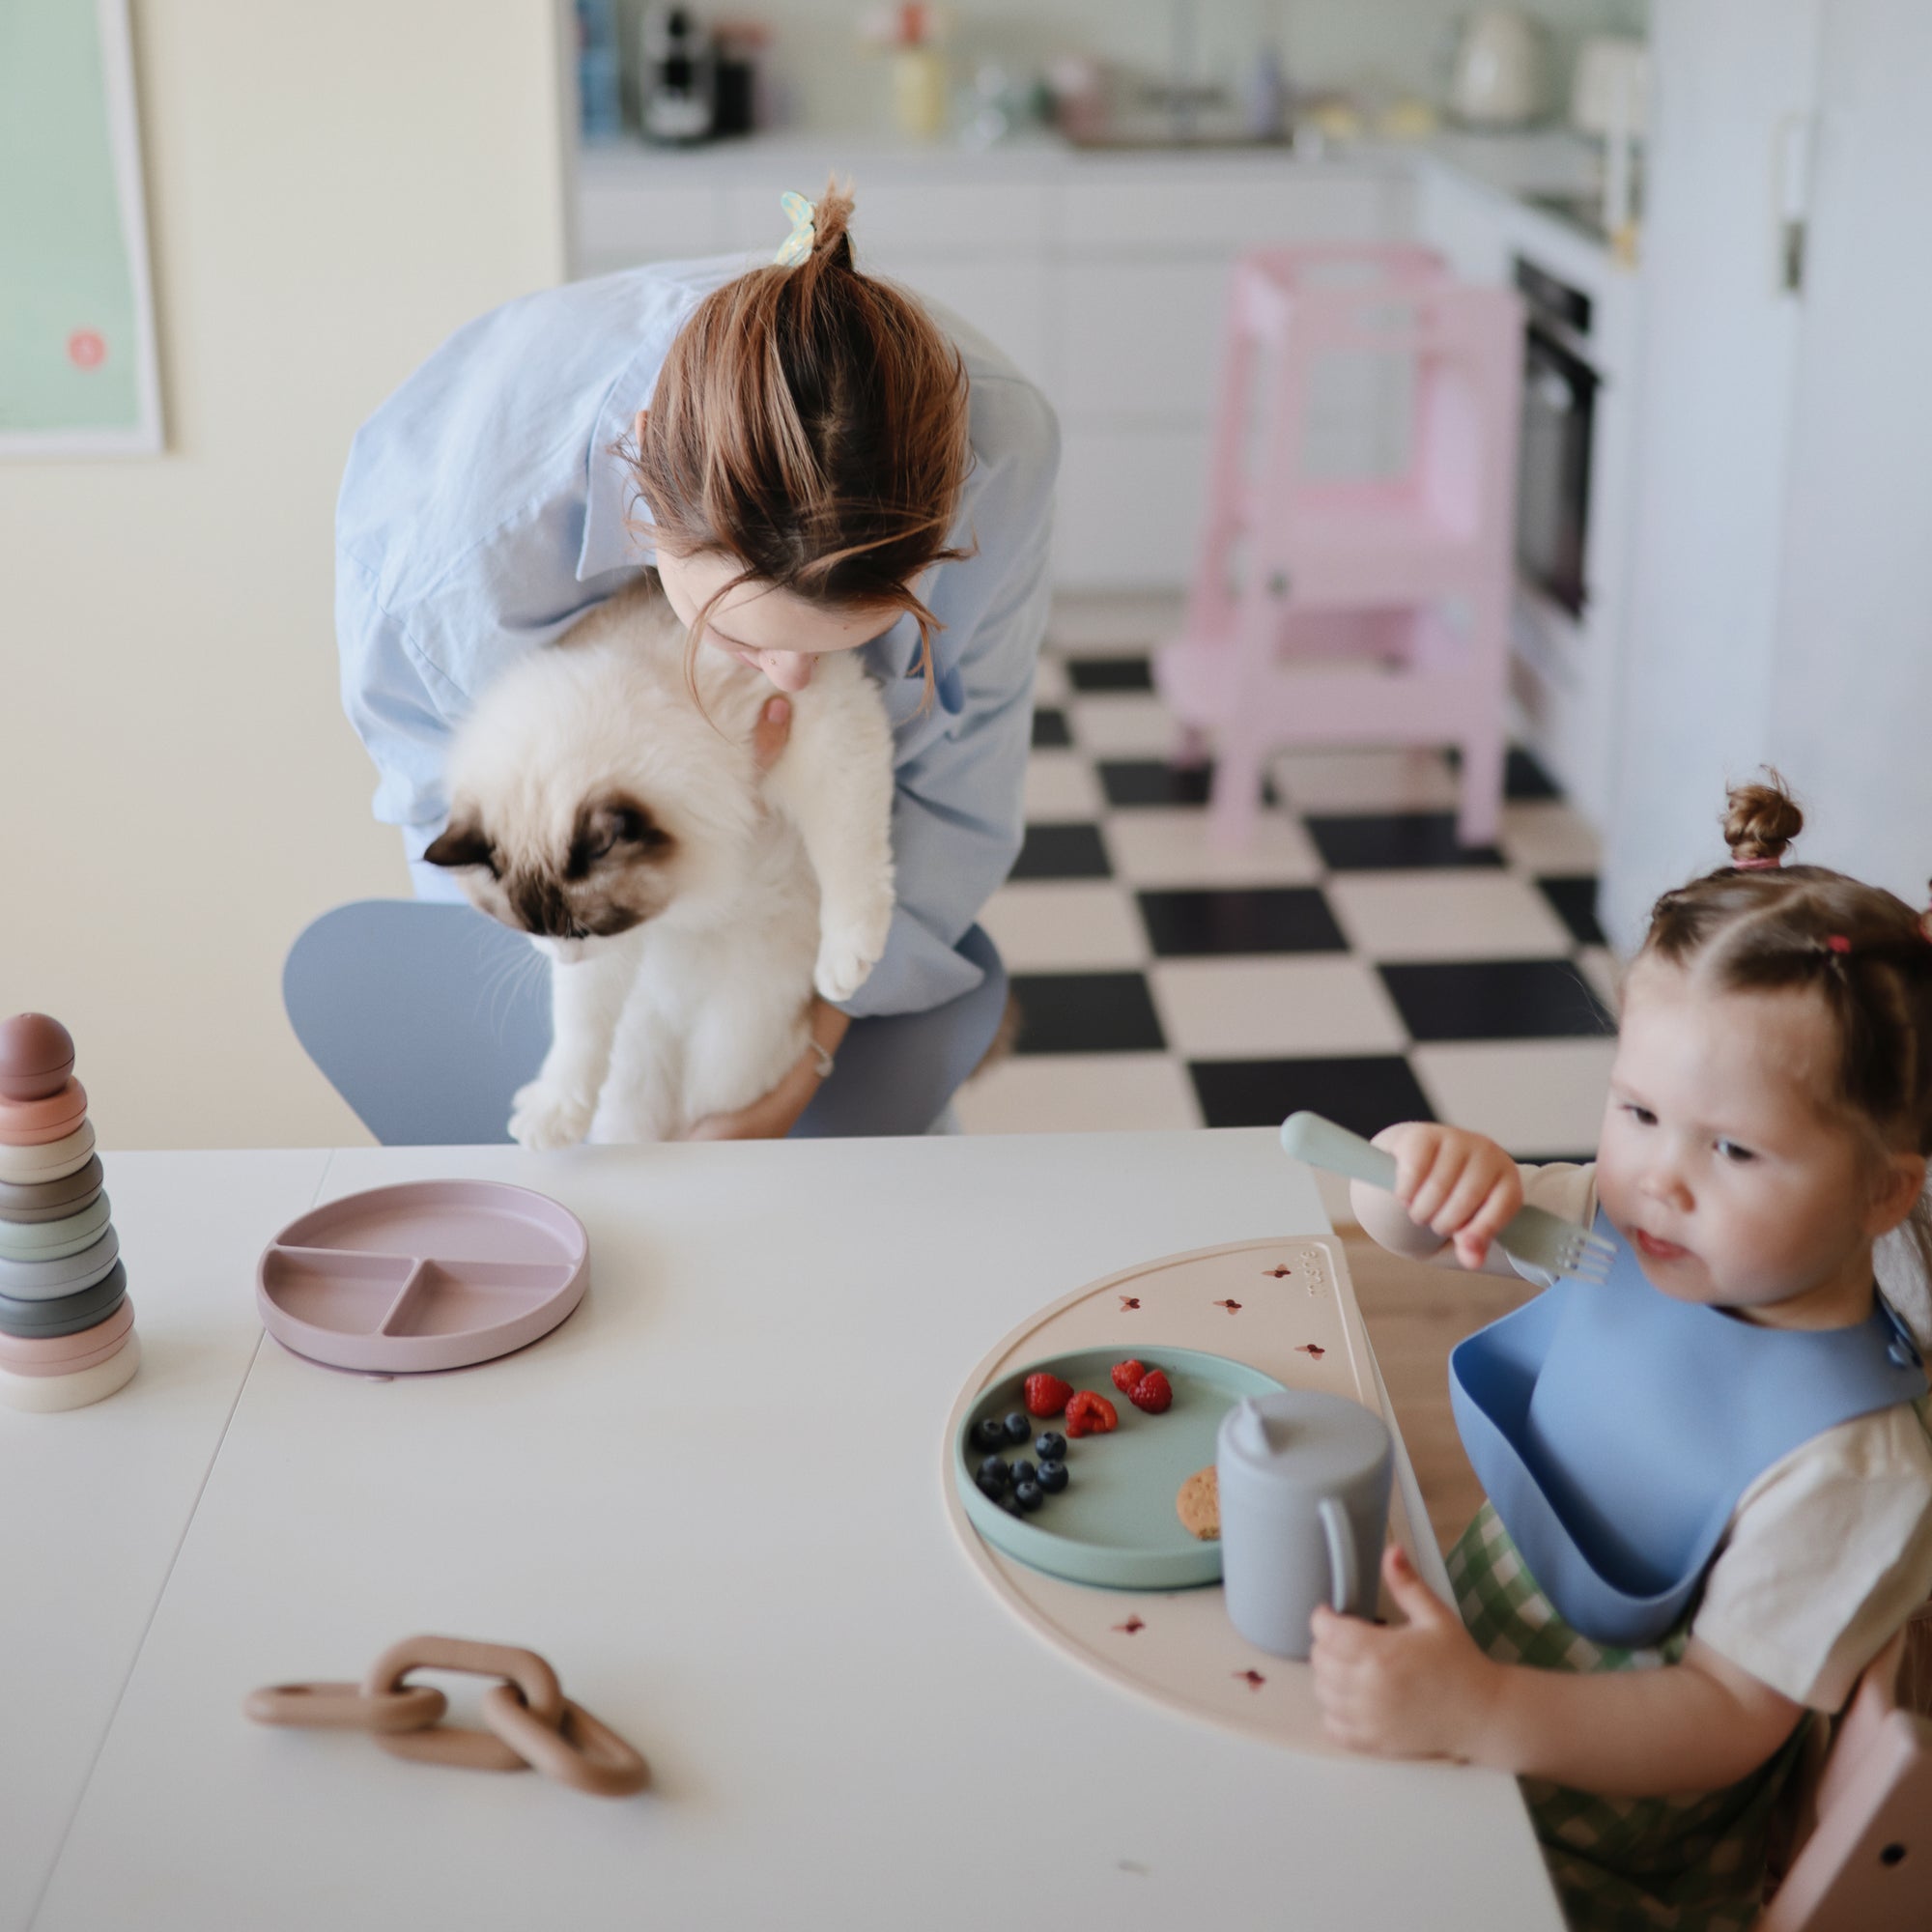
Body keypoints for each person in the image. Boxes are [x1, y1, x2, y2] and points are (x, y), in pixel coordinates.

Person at [1319, 776, 1932, 1931]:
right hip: (1451, 1695)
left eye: (1734, 1148)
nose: (1658, 1174)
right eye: (1637, 1111)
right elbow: (1398, 1226)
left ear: (1880, 1191)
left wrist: (1482, 1709)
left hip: (1583, 1850)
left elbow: (1717, 1718)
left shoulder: (1849, 1469)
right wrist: (1419, 1166)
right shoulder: (1623, 1227)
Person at [334, 181, 1058, 1136]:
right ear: (639, 489)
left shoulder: (996, 461)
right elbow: (475, 844)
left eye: (832, 646)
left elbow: (956, 803)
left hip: (787, 949)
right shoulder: (441, 555)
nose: (788, 680)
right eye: (744, 636)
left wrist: (809, 1061)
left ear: (941, 545)